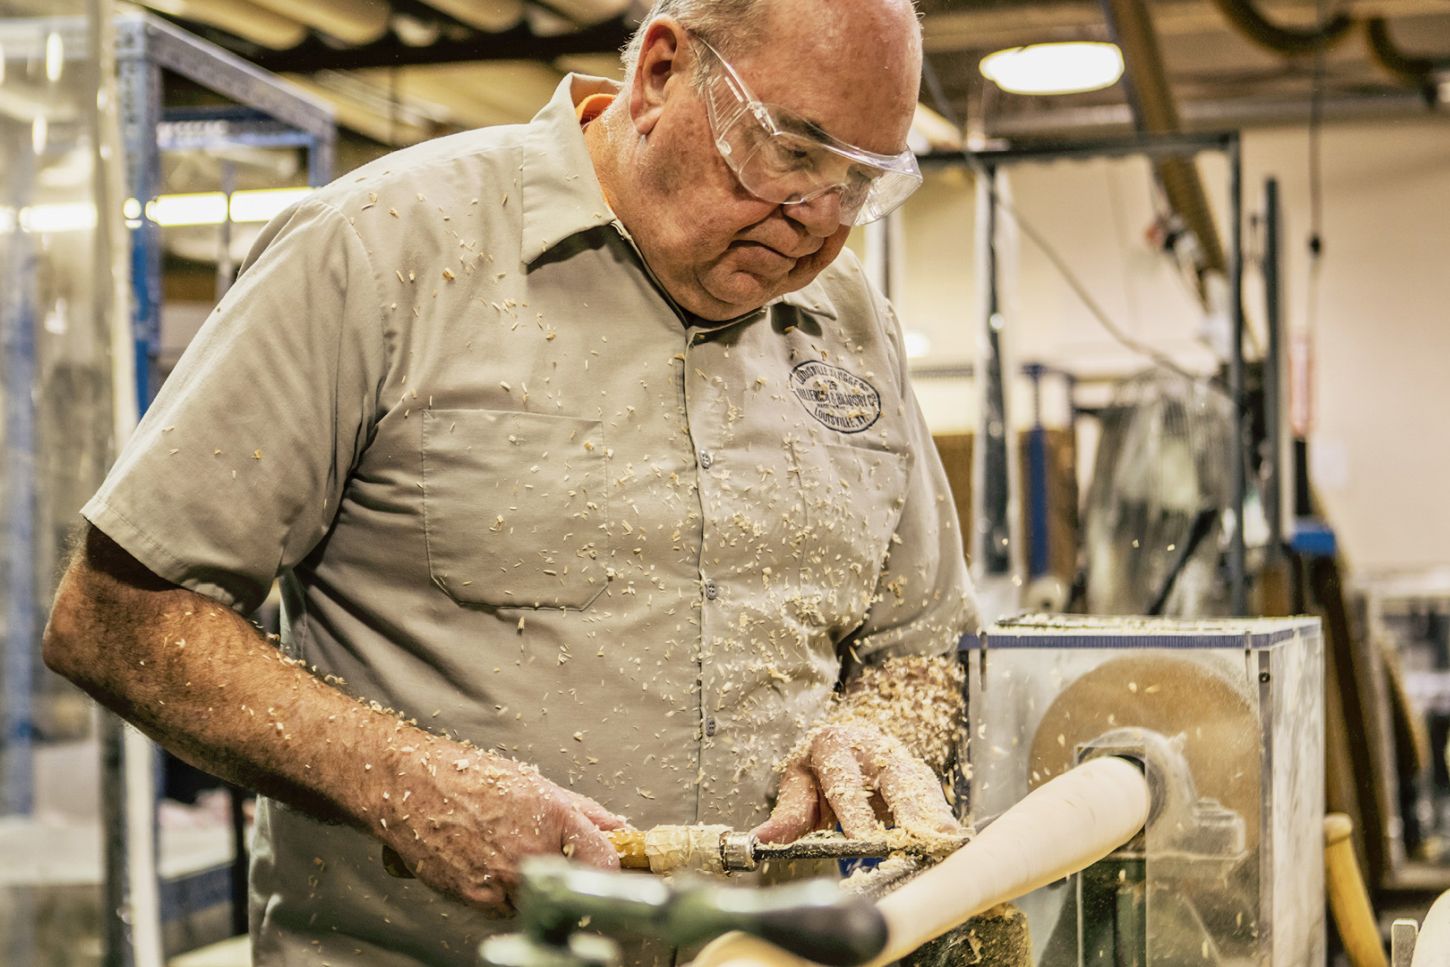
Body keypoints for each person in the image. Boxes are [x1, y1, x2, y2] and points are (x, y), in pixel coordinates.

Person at [43, 0, 979, 961]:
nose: (819, 223)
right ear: (661, 73)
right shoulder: (379, 251)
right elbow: (118, 616)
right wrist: (404, 781)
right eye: (790, 153)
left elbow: (920, 649)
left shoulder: (851, 320)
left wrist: (877, 726)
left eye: (859, 183)